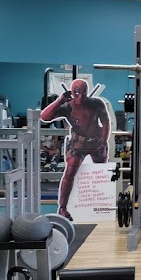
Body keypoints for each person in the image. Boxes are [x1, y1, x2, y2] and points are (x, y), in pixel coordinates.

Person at [40, 79, 111, 221]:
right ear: (72, 92)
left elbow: (105, 122)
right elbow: (44, 117)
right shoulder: (67, 106)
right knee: (69, 174)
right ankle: (62, 208)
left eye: (83, 92)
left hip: (96, 142)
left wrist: (103, 142)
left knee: (101, 173)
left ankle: (101, 206)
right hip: (78, 144)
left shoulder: (96, 103)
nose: (81, 96)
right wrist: (59, 101)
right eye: (77, 93)